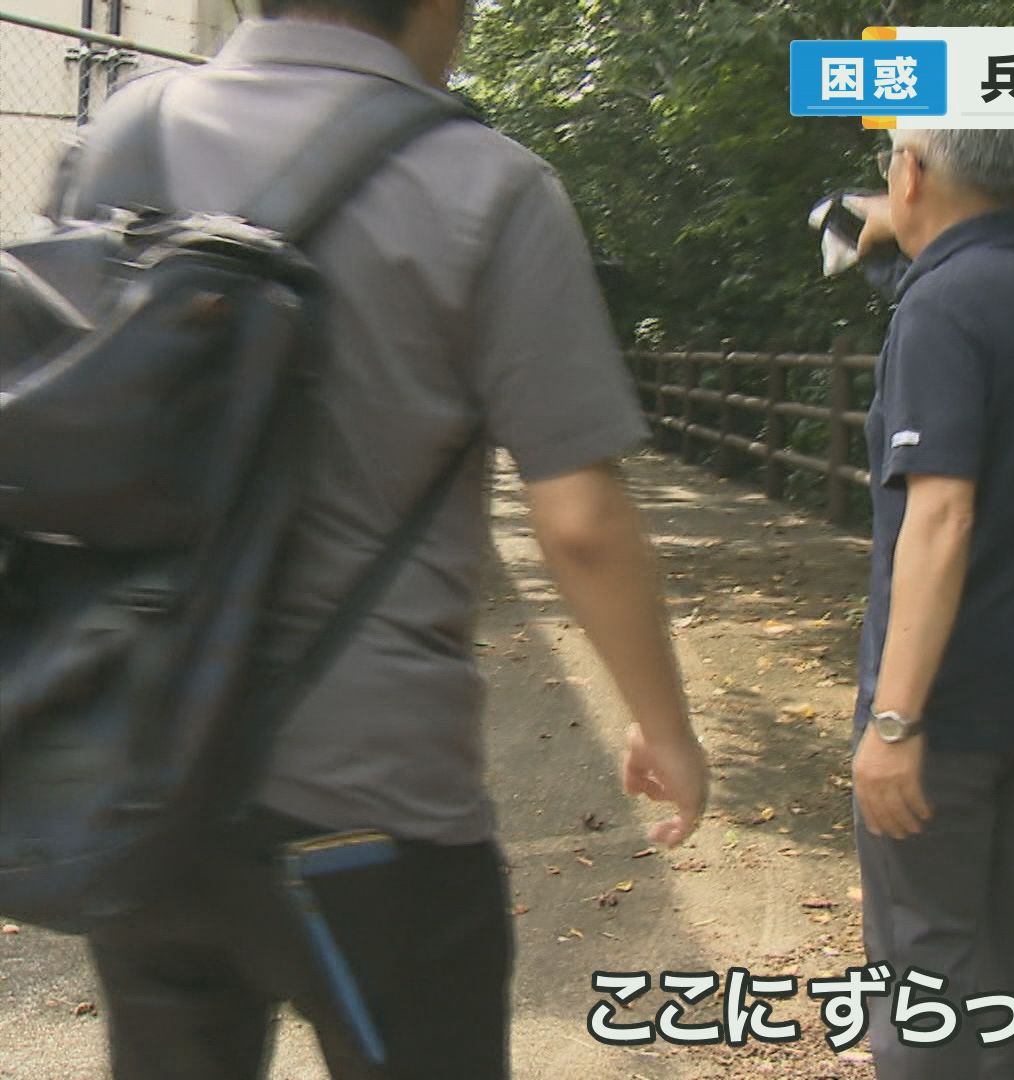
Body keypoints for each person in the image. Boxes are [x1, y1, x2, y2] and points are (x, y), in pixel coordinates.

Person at [45, 0, 708, 1076]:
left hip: (137, 773)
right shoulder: (488, 184)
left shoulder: (120, 136)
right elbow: (580, 519)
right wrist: (664, 726)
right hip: (371, 804)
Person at [847, 129, 1014, 1080]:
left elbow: (942, 516)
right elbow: (951, 299)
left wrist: (895, 719)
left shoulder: (942, 308)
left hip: (947, 696)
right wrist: (888, 236)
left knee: (925, 955)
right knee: (1009, 937)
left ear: (910, 173)